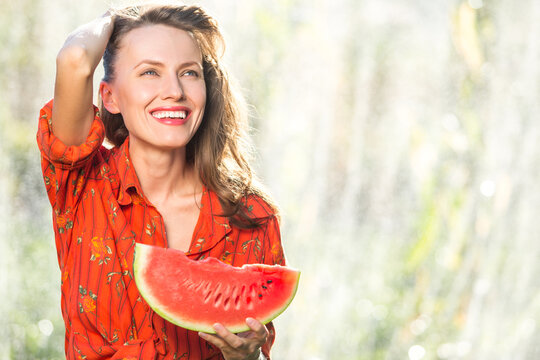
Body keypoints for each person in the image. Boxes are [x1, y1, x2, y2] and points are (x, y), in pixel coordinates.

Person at [37, 3, 286, 360]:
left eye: (189, 73)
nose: (174, 91)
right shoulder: (82, 183)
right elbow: (75, 58)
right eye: (150, 73)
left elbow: (257, 344)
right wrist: (115, 18)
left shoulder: (252, 217)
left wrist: (244, 358)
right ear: (110, 97)